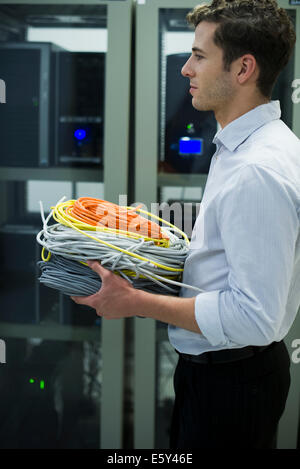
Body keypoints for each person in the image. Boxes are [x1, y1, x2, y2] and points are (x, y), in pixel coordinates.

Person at [71, 0, 300, 449]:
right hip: (227, 374)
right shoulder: (244, 146)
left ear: (242, 69)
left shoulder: (257, 167)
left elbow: (252, 317)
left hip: (231, 384)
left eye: (199, 56)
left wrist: (134, 300)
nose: (185, 70)